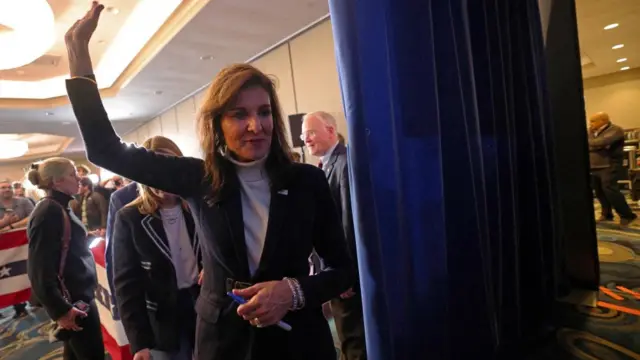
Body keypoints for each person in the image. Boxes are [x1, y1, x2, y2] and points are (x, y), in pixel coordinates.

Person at [65, 3, 354, 360]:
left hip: (297, 338)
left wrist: (292, 292)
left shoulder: (306, 180)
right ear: (218, 124)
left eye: (264, 112)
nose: (256, 125)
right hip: (223, 339)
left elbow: (341, 270)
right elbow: (106, 150)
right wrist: (79, 61)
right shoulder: (199, 178)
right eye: (239, 114)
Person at [113, 136, 201, 360]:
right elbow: (126, 284)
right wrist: (139, 342)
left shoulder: (201, 206)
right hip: (163, 319)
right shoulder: (130, 217)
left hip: (205, 307)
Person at [302, 111, 366, 360]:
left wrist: (345, 274)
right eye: (303, 134)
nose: (306, 139)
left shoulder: (344, 163)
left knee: (353, 338)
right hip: (334, 270)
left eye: (311, 132)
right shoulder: (325, 165)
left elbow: (348, 222)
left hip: (344, 272)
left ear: (330, 130)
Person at [26, 157, 104, 359]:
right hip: (72, 300)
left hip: (78, 295)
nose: (79, 178)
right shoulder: (48, 211)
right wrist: (61, 310)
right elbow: (39, 269)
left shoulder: (58, 207)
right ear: (56, 181)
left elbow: (65, 247)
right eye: (72, 174)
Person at [588, 112, 637, 226]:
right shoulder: (590, 131)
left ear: (603, 121)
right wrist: (596, 146)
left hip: (609, 165)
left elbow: (602, 142)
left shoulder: (616, 130)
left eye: (593, 121)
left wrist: (594, 145)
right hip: (593, 166)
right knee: (599, 191)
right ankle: (607, 214)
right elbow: (591, 143)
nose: (591, 124)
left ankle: (627, 215)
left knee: (610, 190)